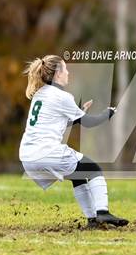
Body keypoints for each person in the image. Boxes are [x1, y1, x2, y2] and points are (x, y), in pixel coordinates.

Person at [19, 55, 128, 228]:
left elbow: (55, 120)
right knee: (94, 170)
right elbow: (89, 123)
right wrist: (109, 113)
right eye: (65, 69)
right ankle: (102, 213)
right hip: (47, 152)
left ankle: (92, 220)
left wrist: (79, 113)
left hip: (27, 157)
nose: (68, 72)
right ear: (57, 74)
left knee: (78, 176)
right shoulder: (63, 96)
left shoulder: (39, 95)